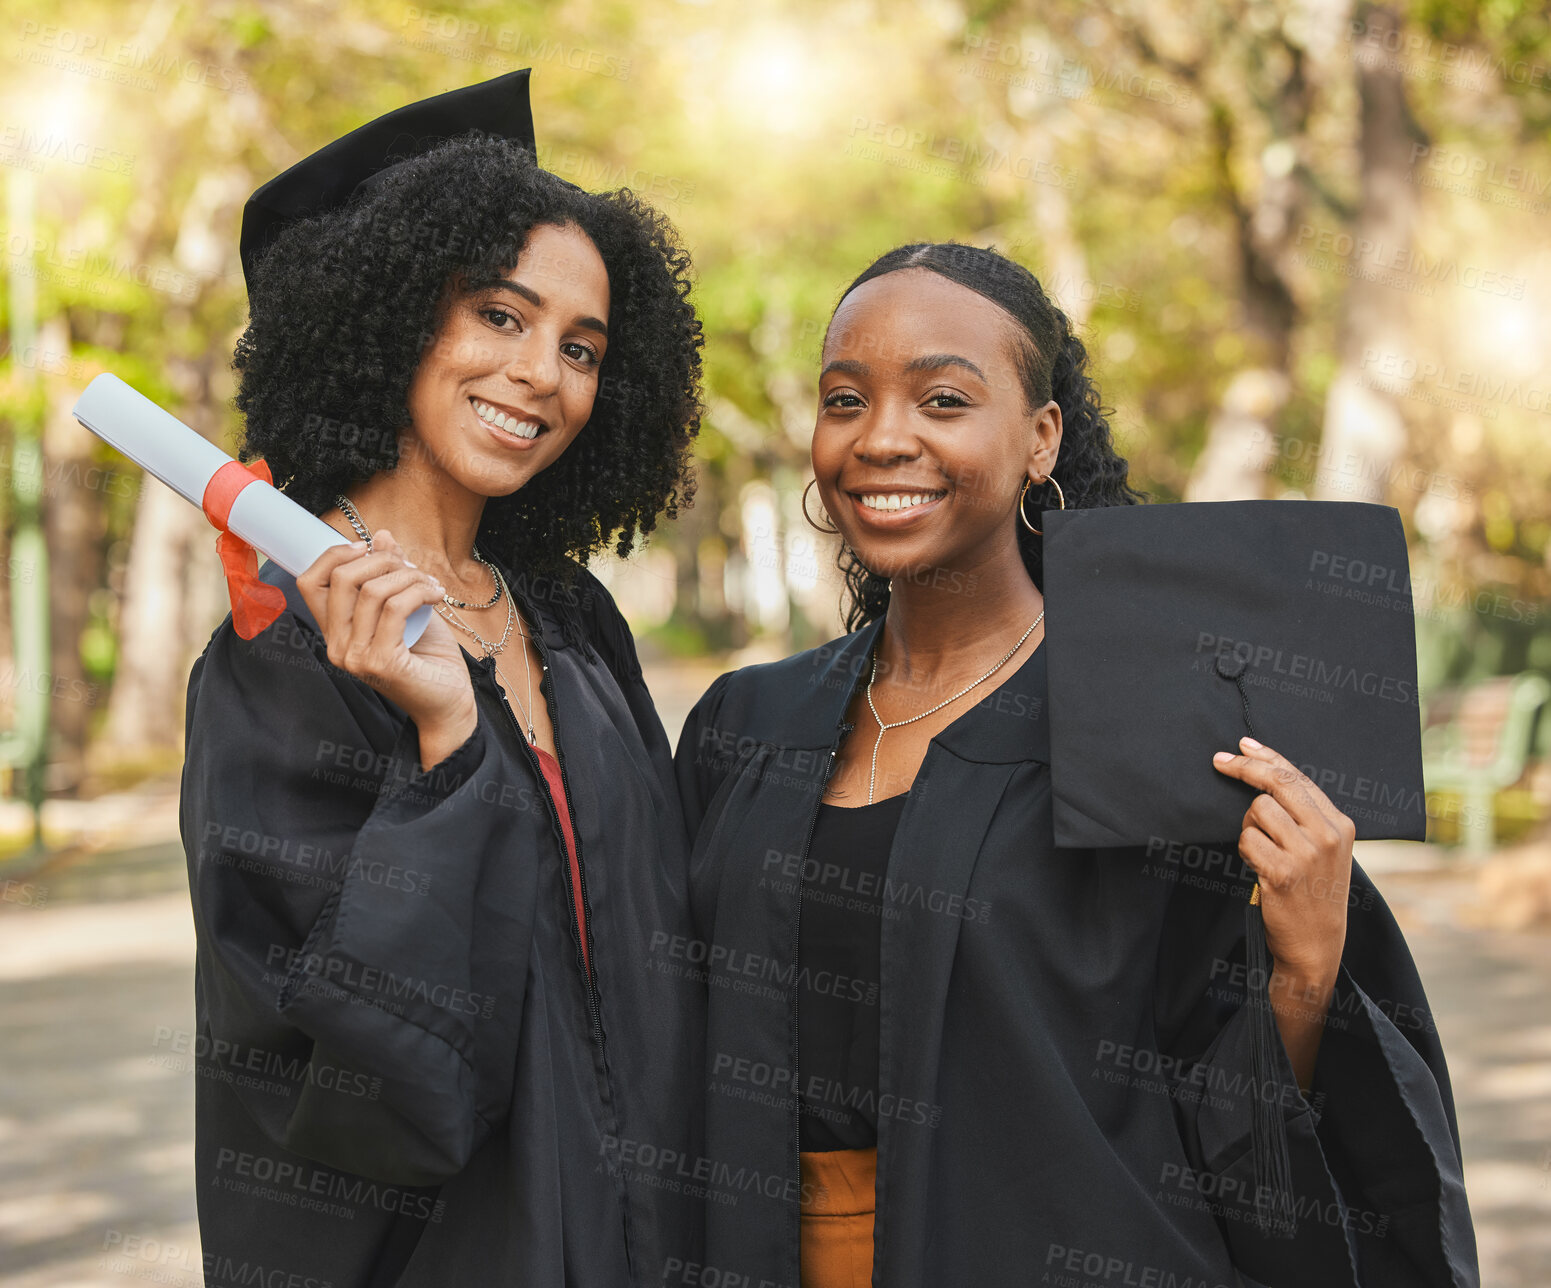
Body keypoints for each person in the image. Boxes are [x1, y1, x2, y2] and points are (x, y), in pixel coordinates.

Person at [673, 242, 1477, 1288]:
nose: (882, 438)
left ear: (1040, 438)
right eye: (844, 400)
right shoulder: (749, 720)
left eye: (944, 400)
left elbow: (1231, 1100)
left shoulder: (1151, 720)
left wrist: (1309, 965)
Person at [182, 105, 704, 1284]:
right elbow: (328, 1065)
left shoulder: (569, 619)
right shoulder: (290, 648)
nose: (540, 374)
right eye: (501, 315)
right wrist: (452, 745)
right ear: (401, 319)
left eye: (582, 346)